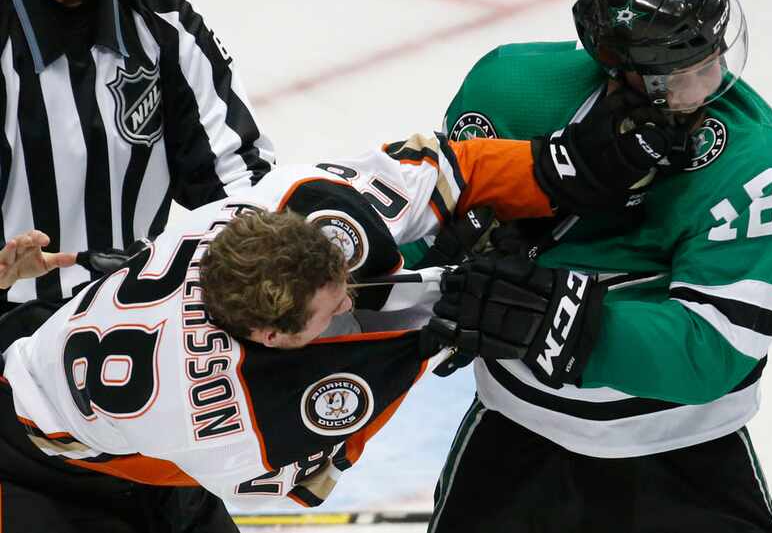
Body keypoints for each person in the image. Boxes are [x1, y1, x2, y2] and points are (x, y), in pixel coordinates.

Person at [0, 126, 654, 530]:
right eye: (330, 308)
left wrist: (558, 170)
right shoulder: (225, 418)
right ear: (271, 336)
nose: (348, 300)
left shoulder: (291, 201)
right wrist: (428, 338)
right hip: (33, 460)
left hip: (69, 366)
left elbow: (450, 166)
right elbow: (310, 477)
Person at [425, 0, 772, 532]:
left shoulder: (754, 156)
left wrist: (554, 322)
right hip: (519, 435)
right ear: (616, 64)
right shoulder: (512, 90)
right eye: (679, 73)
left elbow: (716, 348)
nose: (710, 83)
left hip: (688, 452)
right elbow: (431, 218)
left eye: (714, 55)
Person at [0, 0, 275, 313]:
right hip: (12, 330)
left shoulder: (162, 17)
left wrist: (252, 261)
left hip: (139, 314)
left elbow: (239, 177)